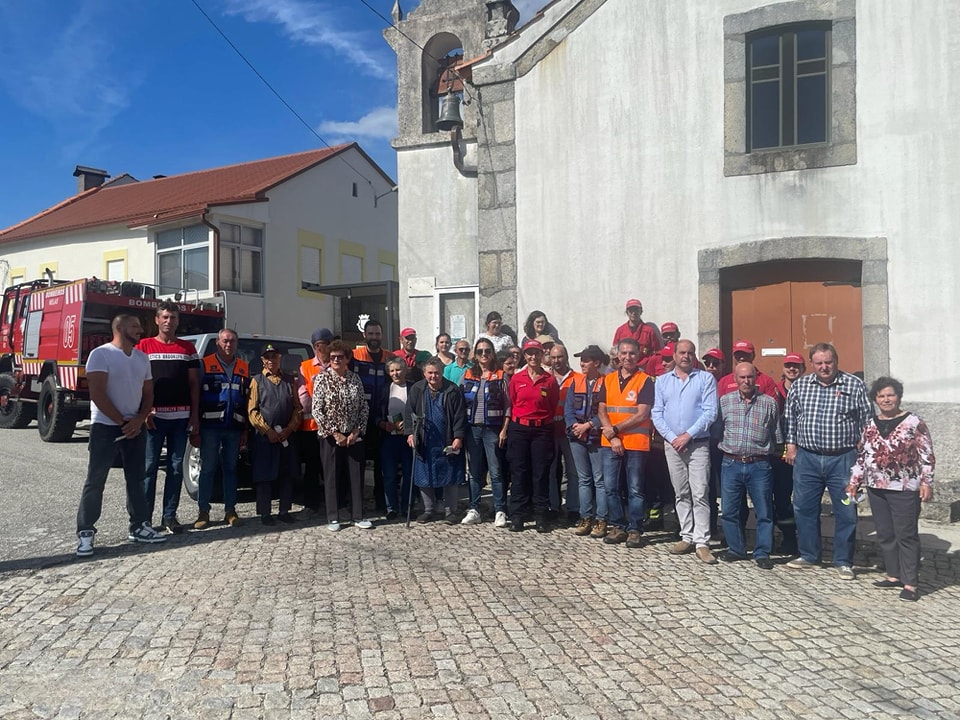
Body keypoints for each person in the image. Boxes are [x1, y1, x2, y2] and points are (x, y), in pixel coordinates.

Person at [76, 314, 166, 556]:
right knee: (96, 480)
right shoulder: (100, 354)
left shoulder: (141, 358)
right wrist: (121, 421)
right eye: (135, 326)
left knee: (137, 479)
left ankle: (139, 526)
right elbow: (96, 393)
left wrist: (138, 420)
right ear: (119, 327)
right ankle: (86, 532)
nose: (140, 330)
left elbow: (148, 394)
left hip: (136, 427)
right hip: (105, 427)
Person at [784, 342, 871, 579]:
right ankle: (810, 555)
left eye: (828, 362)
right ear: (811, 364)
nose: (824, 367)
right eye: (819, 363)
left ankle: (843, 561)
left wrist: (863, 454)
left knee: (845, 510)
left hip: (843, 460)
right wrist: (791, 446)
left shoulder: (854, 385)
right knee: (803, 508)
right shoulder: (801, 385)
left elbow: (867, 421)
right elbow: (791, 418)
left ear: (836, 361)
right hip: (807, 459)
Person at [847, 377, 935, 602]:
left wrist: (927, 482)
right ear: (875, 399)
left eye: (890, 395)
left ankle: (910, 583)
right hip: (876, 486)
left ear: (899, 396)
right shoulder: (870, 424)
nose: (886, 399)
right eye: (881, 396)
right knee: (886, 533)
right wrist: (854, 481)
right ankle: (894, 575)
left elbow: (927, 455)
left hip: (905, 487)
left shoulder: (914, 422)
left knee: (906, 535)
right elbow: (863, 456)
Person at [651, 339, 718, 564]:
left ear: (694, 355)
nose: (686, 356)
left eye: (690, 353)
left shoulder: (705, 379)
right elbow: (657, 413)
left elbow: (710, 413)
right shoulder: (662, 381)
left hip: (697, 443)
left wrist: (687, 435)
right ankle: (686, 536)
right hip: (672, 445)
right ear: (675, 355)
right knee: (680, 492)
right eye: (682, 352)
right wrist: (672, 438)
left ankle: (702, 542)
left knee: (700, 492)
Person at [138, 301, 200, 533]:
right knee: (149, 467)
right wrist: (143, 411)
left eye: (173, 318)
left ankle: (169, 517)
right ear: (157, 320)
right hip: (153, 418)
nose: (168, 321)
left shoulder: (188, 349)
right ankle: (143, 520)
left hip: (181, 417)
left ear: (177, 321)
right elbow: (137, 381)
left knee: (175, 468)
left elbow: (194, 384)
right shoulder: (143, 346)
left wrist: (195, 415)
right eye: (164, 317)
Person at [717, 363, 781, 570]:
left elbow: (776, 434)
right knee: (729, 510)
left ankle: (763, 552)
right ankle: (736, 549)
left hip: (759, 465)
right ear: (735, 379)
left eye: (750, 377)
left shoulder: (769, 403)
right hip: (731, 462)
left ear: (756, 378)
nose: (746, 381)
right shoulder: (724, 402)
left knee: (764, 511)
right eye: (742, 377)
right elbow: (719, 429)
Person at [598, 338, 655, 548]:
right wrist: (612, 437)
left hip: (636, 443)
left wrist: (616, 430)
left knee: (635, 489)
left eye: (632, 353)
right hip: (610, 442)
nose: (628, 357)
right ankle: (617, 526)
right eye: (624, 353)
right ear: (618, 356)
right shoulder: (608, 379)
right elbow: (602, 410)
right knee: (611, 487)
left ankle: (635, 529)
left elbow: (642, 414)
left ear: (638, 355)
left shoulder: (645, 380)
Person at [313, 340, 372, 531]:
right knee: (331, 477)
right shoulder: (322, 379)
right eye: (332, 357)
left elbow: (364, 407)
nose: (336, 360)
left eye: (340, 357)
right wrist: (334, 433)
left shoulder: (355, 378)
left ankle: (358, 515)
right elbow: (317, 409)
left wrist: (357, 431)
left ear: (347, 358)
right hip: (331, 436)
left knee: (356, 476)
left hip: (353, 435)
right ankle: (333, 517)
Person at [194, 328, 249, 529]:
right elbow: (197, 396)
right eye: (225, 341)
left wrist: (245, 429)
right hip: (210, 427)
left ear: (236, 343)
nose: (228, 344)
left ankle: (230, 511)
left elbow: (246, 400)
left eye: (232, 341)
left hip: (234, 428)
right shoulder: (205, 364)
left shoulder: (243, 367)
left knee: (231, 469)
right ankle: (203, 511)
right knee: (208, 468)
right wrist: (196, 425)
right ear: (218, 342)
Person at [506, 339, 559, 532]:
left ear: (541, 355)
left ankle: (541, 516)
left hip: (542, 430)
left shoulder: (549, 380)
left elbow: (553, 405)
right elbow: (512, 403)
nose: (533, 357)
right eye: (529, 353)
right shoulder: (517, 379)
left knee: (541, 473)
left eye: (536, 353)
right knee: (519, 472)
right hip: (519, 429)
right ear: (524, 356)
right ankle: (518, 515)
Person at [405, 358, 467, 523]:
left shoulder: (452, 390)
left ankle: (450, 511)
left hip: (447, 439)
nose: (434, 376)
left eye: (437, 373)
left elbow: (460, 416)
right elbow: (409, 412)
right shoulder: (417, 389)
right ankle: (428, 509)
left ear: (442, 373)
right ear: (425, 373)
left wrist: (458, 437)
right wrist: (410, 433)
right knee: (424, 475)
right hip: (425, 440)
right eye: (430, 373)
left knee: (450, 475)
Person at [248, 344, 301, 525]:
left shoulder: (289, 380)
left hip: (286, 435)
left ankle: (284, 510)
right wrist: (267, 430)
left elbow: (297, 408)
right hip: (265, 437)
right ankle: (265, 513)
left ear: (280, 358)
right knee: (265, 475)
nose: (272, 360)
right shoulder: (257, 381)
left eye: (275, 356)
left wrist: (290, 428)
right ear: (263, 360)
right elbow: (252, 411)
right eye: (268, 357)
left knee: (286, 474)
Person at [460, 338, 510, 526]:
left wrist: (504, 429)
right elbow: (460, 401)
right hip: (472, 430)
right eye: (480, 351)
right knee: (474, 471)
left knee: (495, 471)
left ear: (492, 353)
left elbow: (508, 405)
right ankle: (474, 509)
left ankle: (500, 510)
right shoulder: (467, 374)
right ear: (475, 354)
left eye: (487, 351)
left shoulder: (500, 375)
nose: (483, 355)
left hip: (492, 430)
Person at [351, 319, 395, 513]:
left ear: (382, 336)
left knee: (381, 463)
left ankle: (381, 502)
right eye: (371, 334)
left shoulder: (390, 357)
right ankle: (356, 503)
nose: (374, 338)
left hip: (382, 418)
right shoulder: (354, 355)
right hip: (360, 417)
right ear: (364, 335)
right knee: (357, 463)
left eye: (377, 334)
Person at [565, 345, 608, 539]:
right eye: (581, 359)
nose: (582, 363)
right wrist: (575, 426)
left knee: (599, 480)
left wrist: (588, 426)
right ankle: (585, 517)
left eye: (586, 360)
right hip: (577, 438)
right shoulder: (576, 382)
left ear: (597, 362)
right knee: (584, 479)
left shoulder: (606, 382)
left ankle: (601, 519)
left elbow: (607, 412)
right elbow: (568, 409)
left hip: (597, 438)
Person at [297, 327, 334, 514]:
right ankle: (311, 504)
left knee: (332, 467)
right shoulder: (305, 366)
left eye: (325, 345)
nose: (322, 349)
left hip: (333, 428)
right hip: (310, 427)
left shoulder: (338, 363)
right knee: (312, 467)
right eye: (318, 345)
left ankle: (334, 504)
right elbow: (303, 396)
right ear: (314, 347)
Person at [377, 358, 413, 521]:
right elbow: (375, 413)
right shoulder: (385, 389)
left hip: (408, 438)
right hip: (389, 439)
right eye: (392, 370)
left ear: (404, 370)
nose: (395, 373)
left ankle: (407, 507)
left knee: (408, 473)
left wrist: (411, 424)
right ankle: (391, 507)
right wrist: (383, 424)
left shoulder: (413, 388)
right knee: (389, 474)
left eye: (398, 370)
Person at [549, 343, 580, 523]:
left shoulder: (577, 378)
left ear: (566, 357)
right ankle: (553, 506)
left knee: (573, 471)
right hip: (550, 431)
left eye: (559, 357)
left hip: (569, 431)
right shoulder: (546, 378)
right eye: (553, 357)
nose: (556, 361)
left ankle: (573, 508)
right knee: (551, 470)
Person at [717, 341, 783, 404]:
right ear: (733, 357)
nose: (742, 358)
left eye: (745, 354)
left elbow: (773, 407)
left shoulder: (767, 381)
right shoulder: (724, 382)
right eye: (738, 355)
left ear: (753, 356)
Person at [611, 299, 660, 372]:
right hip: (625, 367)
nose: (633, 313)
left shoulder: (649, 331)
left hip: (643, 368)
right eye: (631, 310)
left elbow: (657, 352)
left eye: (636, 310)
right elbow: (615, 351)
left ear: (641, 311)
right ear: (627, 312)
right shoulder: (620, 331)